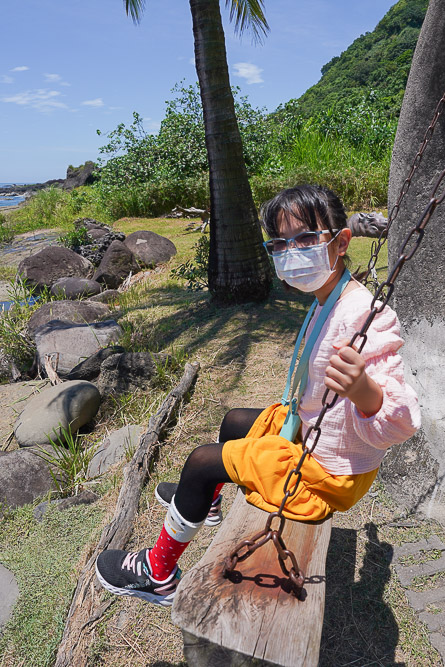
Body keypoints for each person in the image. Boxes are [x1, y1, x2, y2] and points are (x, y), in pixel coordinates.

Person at [95, 184, 421, 606]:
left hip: (328, 475)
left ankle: (158, 574)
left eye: (305, 238)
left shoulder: (366, 315)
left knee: (201, 461)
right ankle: (204, 503)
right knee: (233, 421)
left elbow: (402, 422)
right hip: (310, 436)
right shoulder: (329, 296)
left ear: (340, 242)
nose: (292, 251)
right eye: (280, 244)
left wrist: (364, 391)